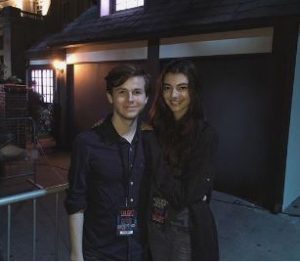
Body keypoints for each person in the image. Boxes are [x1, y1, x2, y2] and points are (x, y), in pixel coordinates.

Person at [65, 64, 150, 260]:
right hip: (99, 250)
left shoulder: (150, 142)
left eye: (137, 92)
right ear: (110, 96)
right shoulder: (87, 143)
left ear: (146, 98)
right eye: (122, 92)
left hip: (139, 249)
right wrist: (76, 255)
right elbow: (75, 202)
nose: (130, 99)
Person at [146, 59, 219, 260]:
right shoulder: (156, 129)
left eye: (182, 88)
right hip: (154, 220)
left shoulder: (205, 135)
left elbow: (184, 195)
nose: (173, 95)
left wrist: (155, 158)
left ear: (193, 91)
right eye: (167, 88)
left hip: (184, 226)